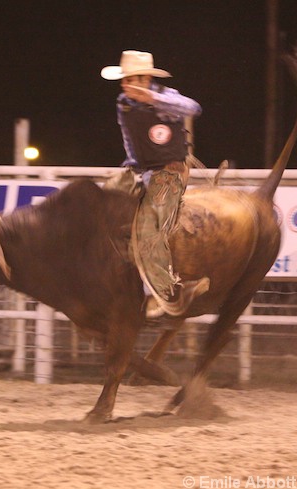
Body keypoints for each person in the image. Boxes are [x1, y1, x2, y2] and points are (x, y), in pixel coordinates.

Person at [101, 50, 209, 317]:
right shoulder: (123, 102)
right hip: (139, 168)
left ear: (145, 78)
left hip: (170, 171)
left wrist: (152, 99)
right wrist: (131, 170)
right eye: (124, 79)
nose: (125, 84)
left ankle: (161, 293)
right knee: (100, 205)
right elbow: (130, 140)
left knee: (149, 225)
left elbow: (193, 108)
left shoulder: (167, 96)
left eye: (130, 79)